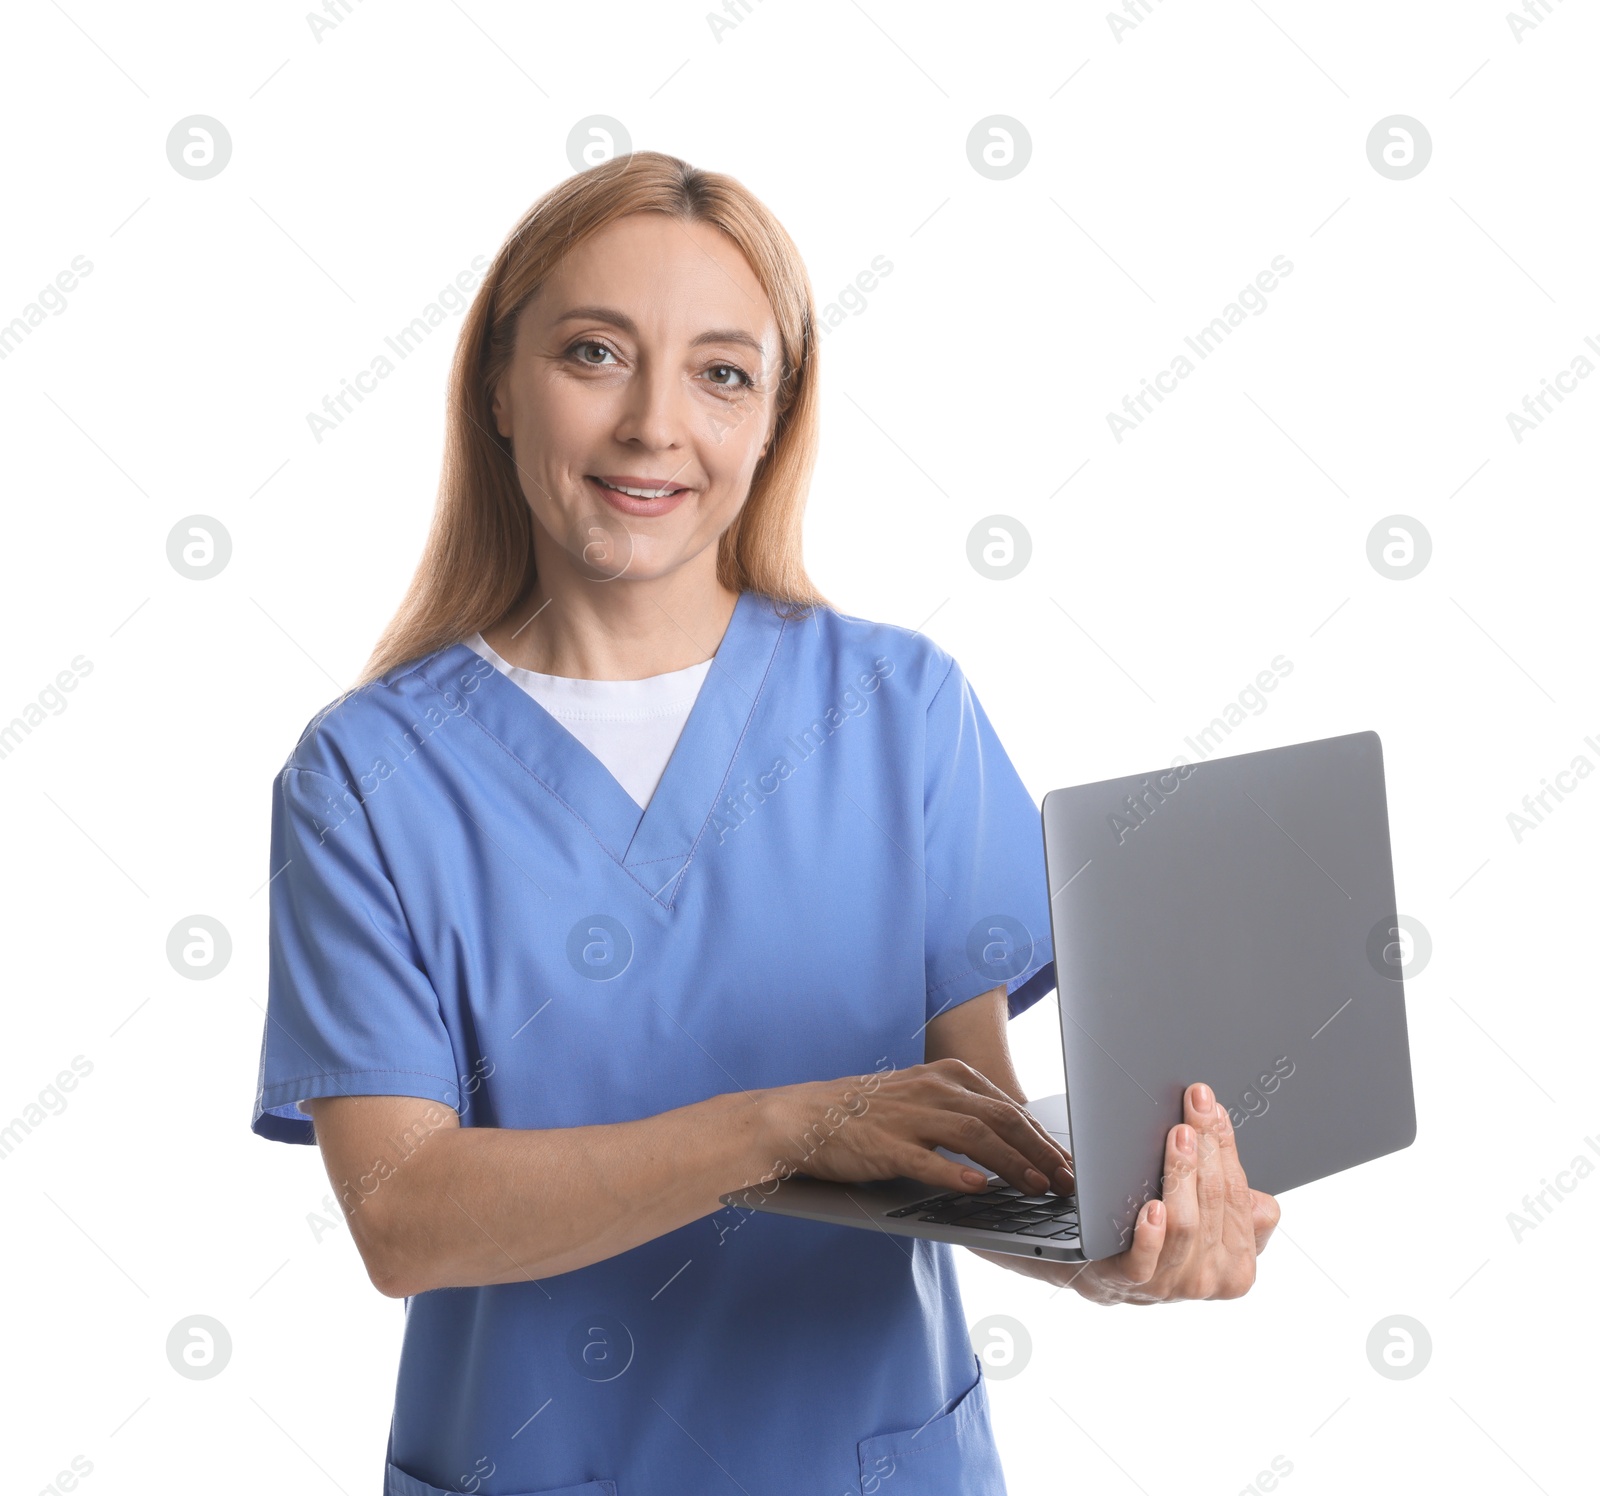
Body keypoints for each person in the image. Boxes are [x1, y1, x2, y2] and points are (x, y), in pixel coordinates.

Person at [250, 150, 1280, 1496]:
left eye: (721, 374)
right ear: (498, 384)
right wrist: (777, 1132)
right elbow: (403, 1215)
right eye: (595, 354)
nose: (654, 427)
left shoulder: (898, 709)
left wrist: (1116, 1247)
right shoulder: (366, 778)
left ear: (775, 419)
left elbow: (969, 1137)